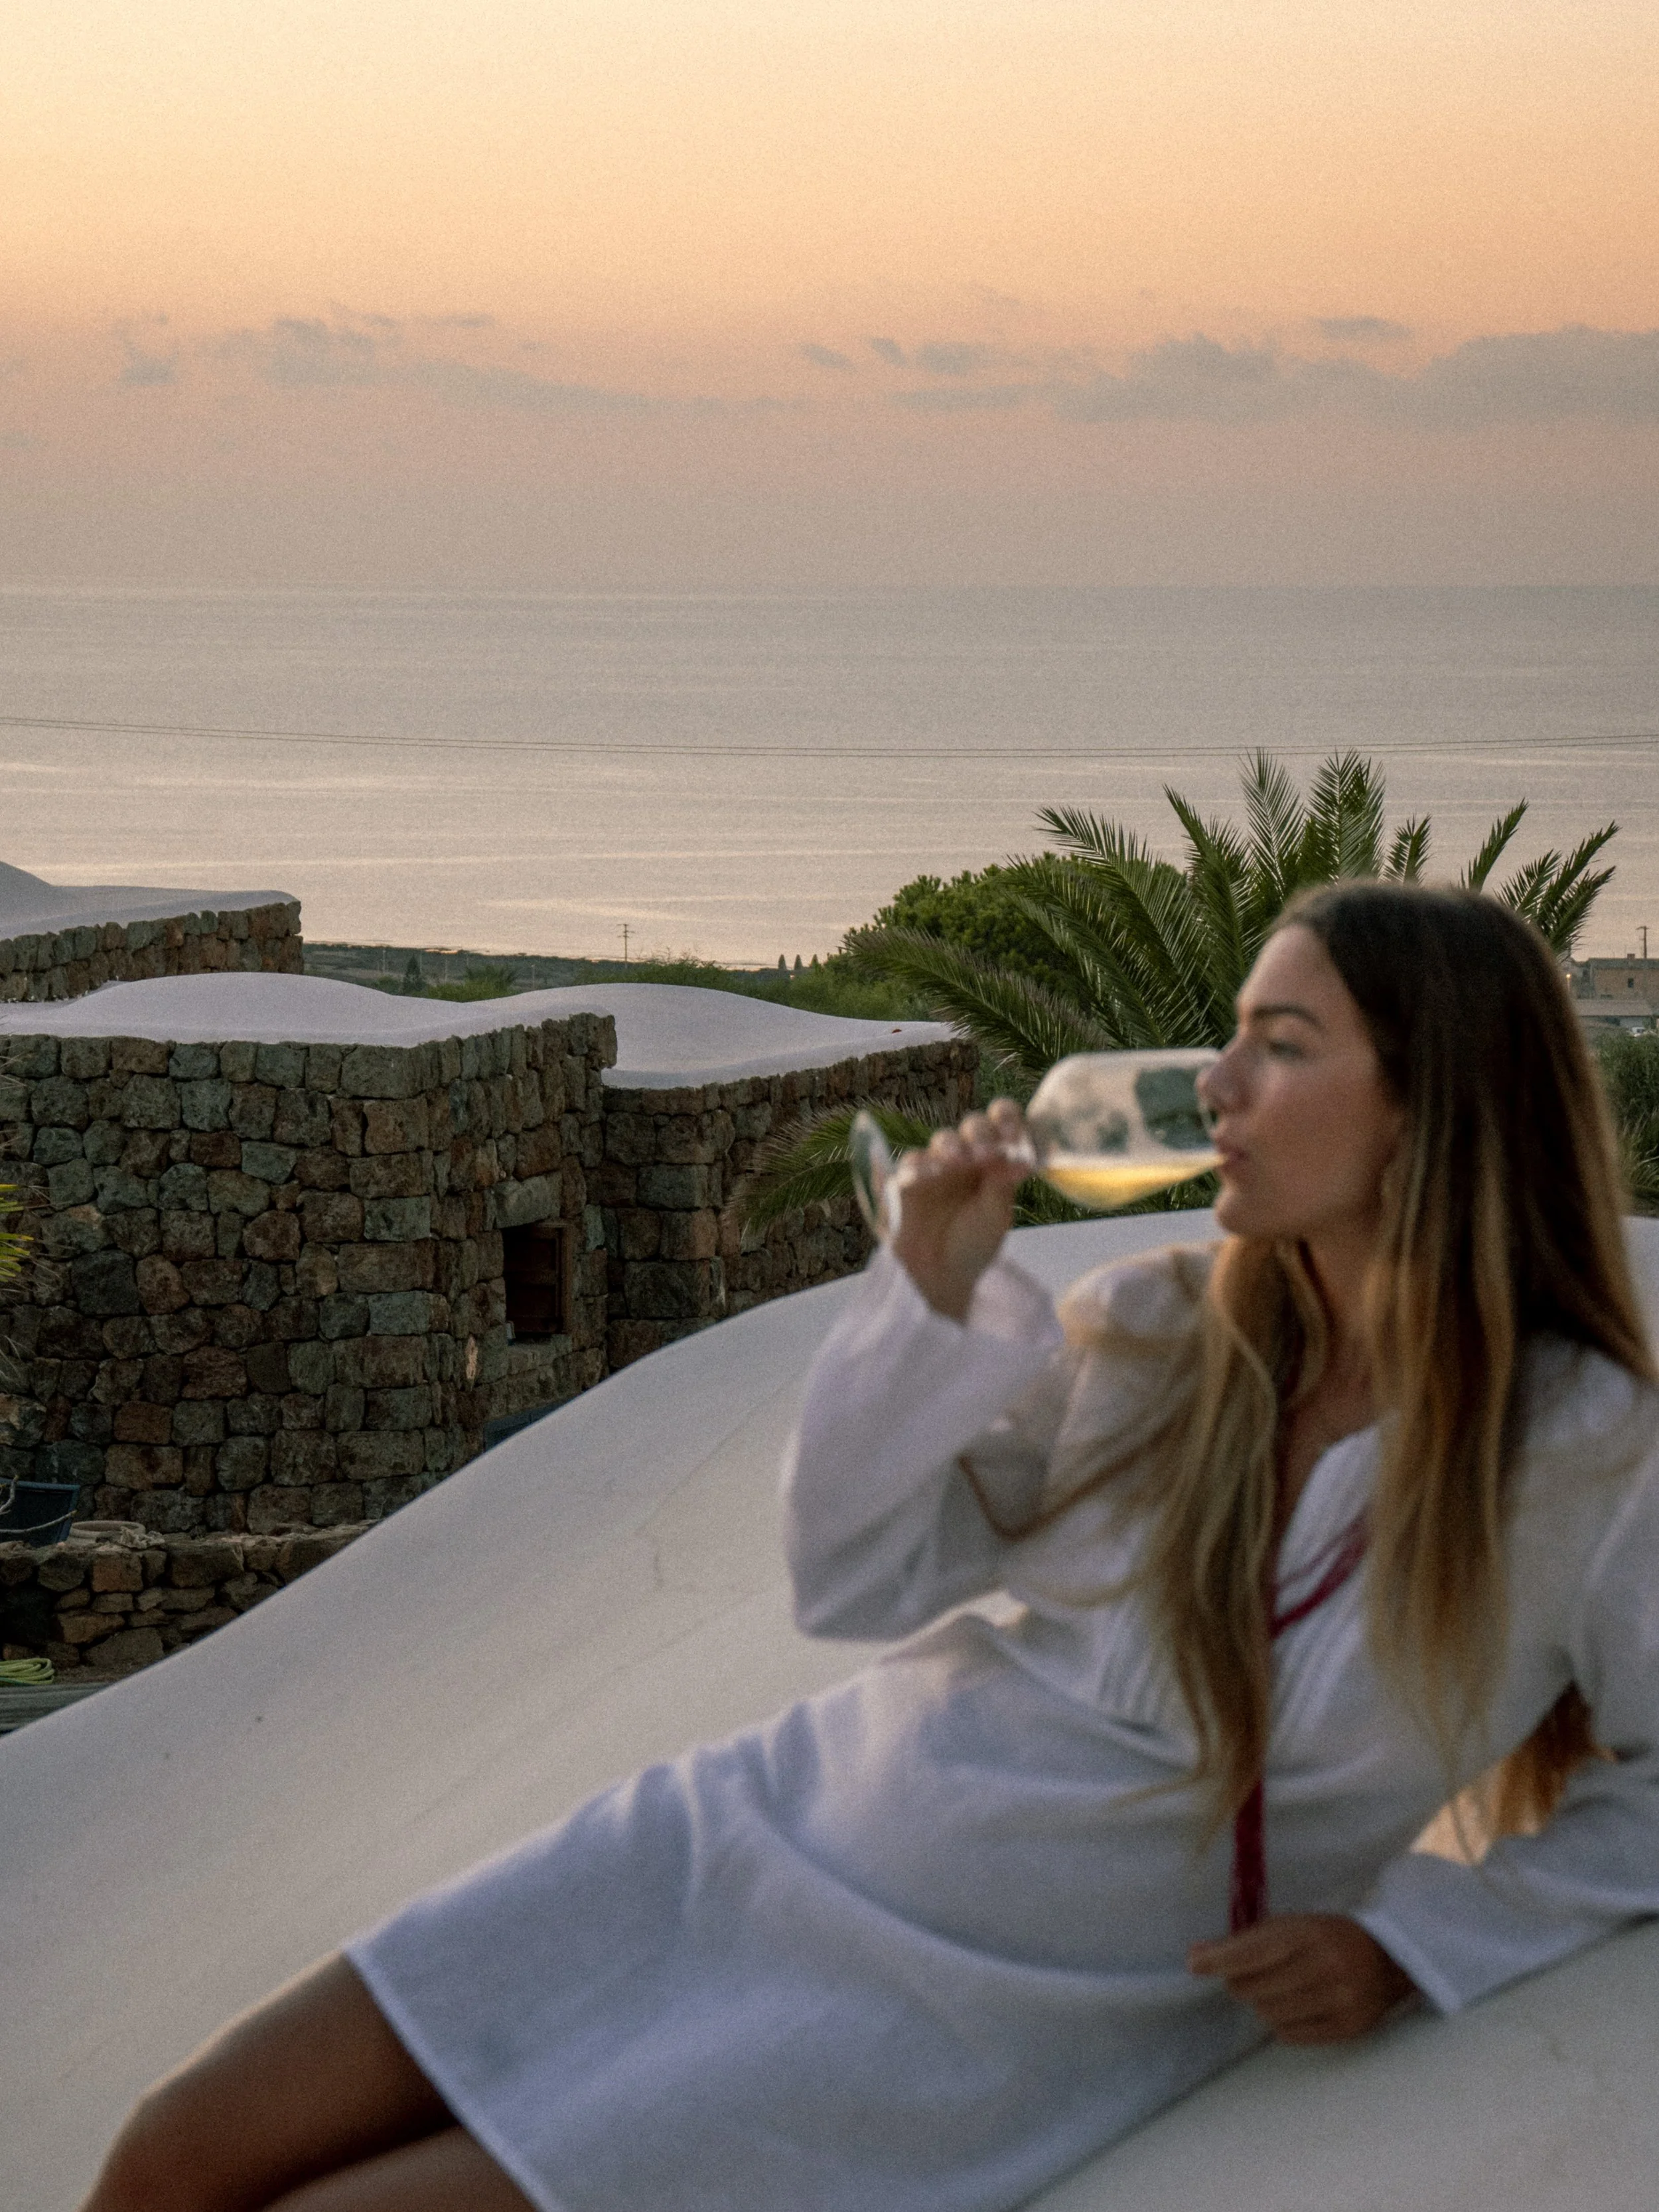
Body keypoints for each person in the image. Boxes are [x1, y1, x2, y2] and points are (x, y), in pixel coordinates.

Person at [84, 882, 1659, 2212]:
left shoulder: (1585, 1452)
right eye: (1229, 1036)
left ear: (1433, 1099)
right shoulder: (1160, 1329)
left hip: (944, 2017)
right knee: (171, 2153)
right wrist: (926, 1299)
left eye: (1283, 1046)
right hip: (758, 1830)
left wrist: (1405, 1941)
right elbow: (852, 1578)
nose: (1218, 1087)